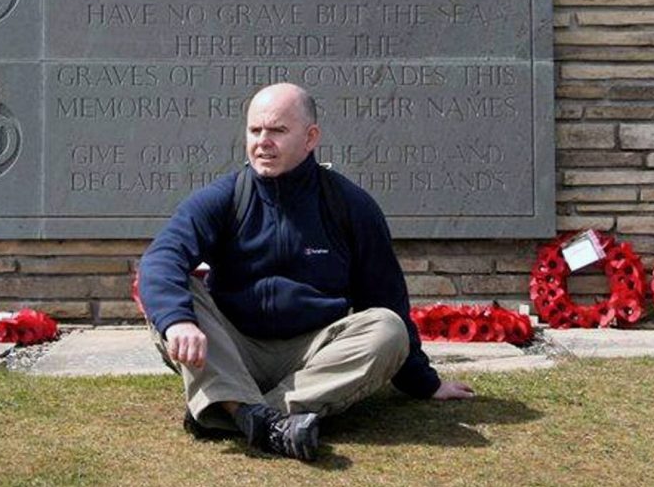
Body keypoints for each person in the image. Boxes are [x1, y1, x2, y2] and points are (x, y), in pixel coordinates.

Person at [138, 83, 473, 461]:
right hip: (234, 348)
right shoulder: (223, 198)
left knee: (388, 327)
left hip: (313, 355)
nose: (263, 141)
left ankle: (237, 411)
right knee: (171, 298)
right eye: (255, 131)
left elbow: (386, 296)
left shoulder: (350, 205)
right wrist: (179, 322)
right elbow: (161, 257)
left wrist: (424, 383)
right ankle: (255, 413)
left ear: (310, 137)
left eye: (277, 131)